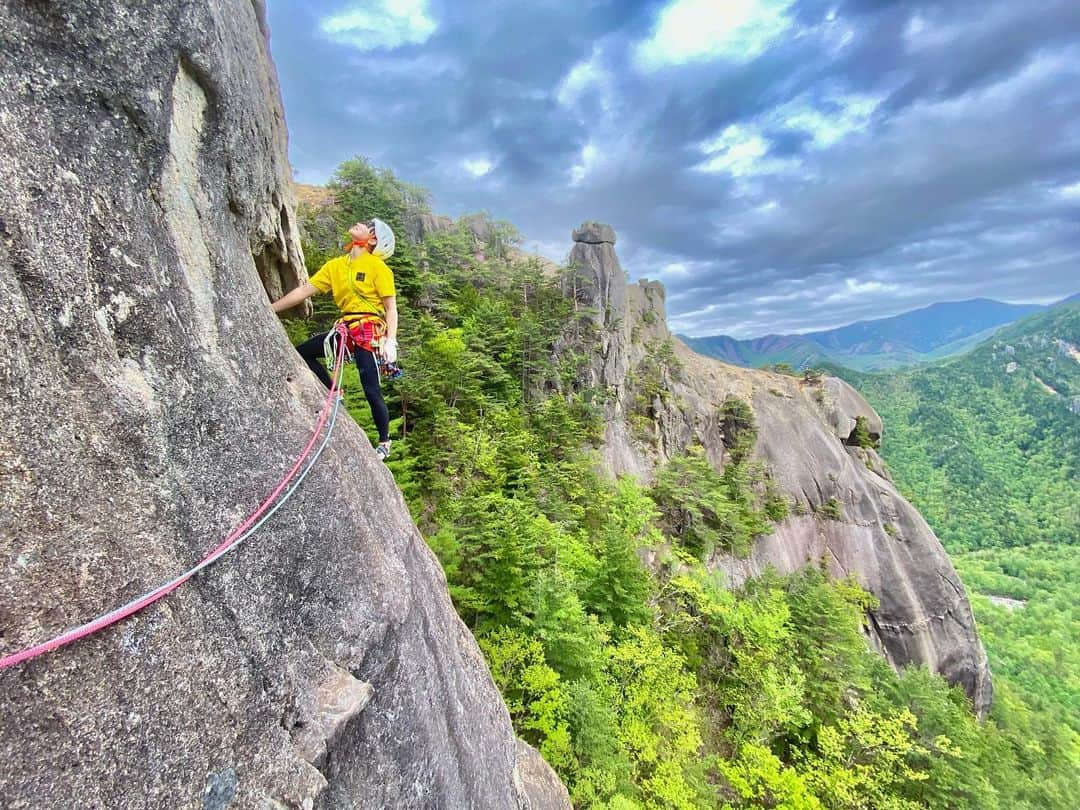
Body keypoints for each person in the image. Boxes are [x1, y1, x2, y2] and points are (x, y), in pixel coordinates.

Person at [272, 219, 399, 461]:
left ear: (372, 240)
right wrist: (270, 308)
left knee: (371, 390)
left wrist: (390, 340)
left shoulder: (378, 268)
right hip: (346, 328)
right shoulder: (335, 266)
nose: (360, 223)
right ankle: (335, 391)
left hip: (368, 331)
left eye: (368, 225)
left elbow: (390, 308)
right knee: (303, 352)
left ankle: (384, 441)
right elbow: (303, 291)